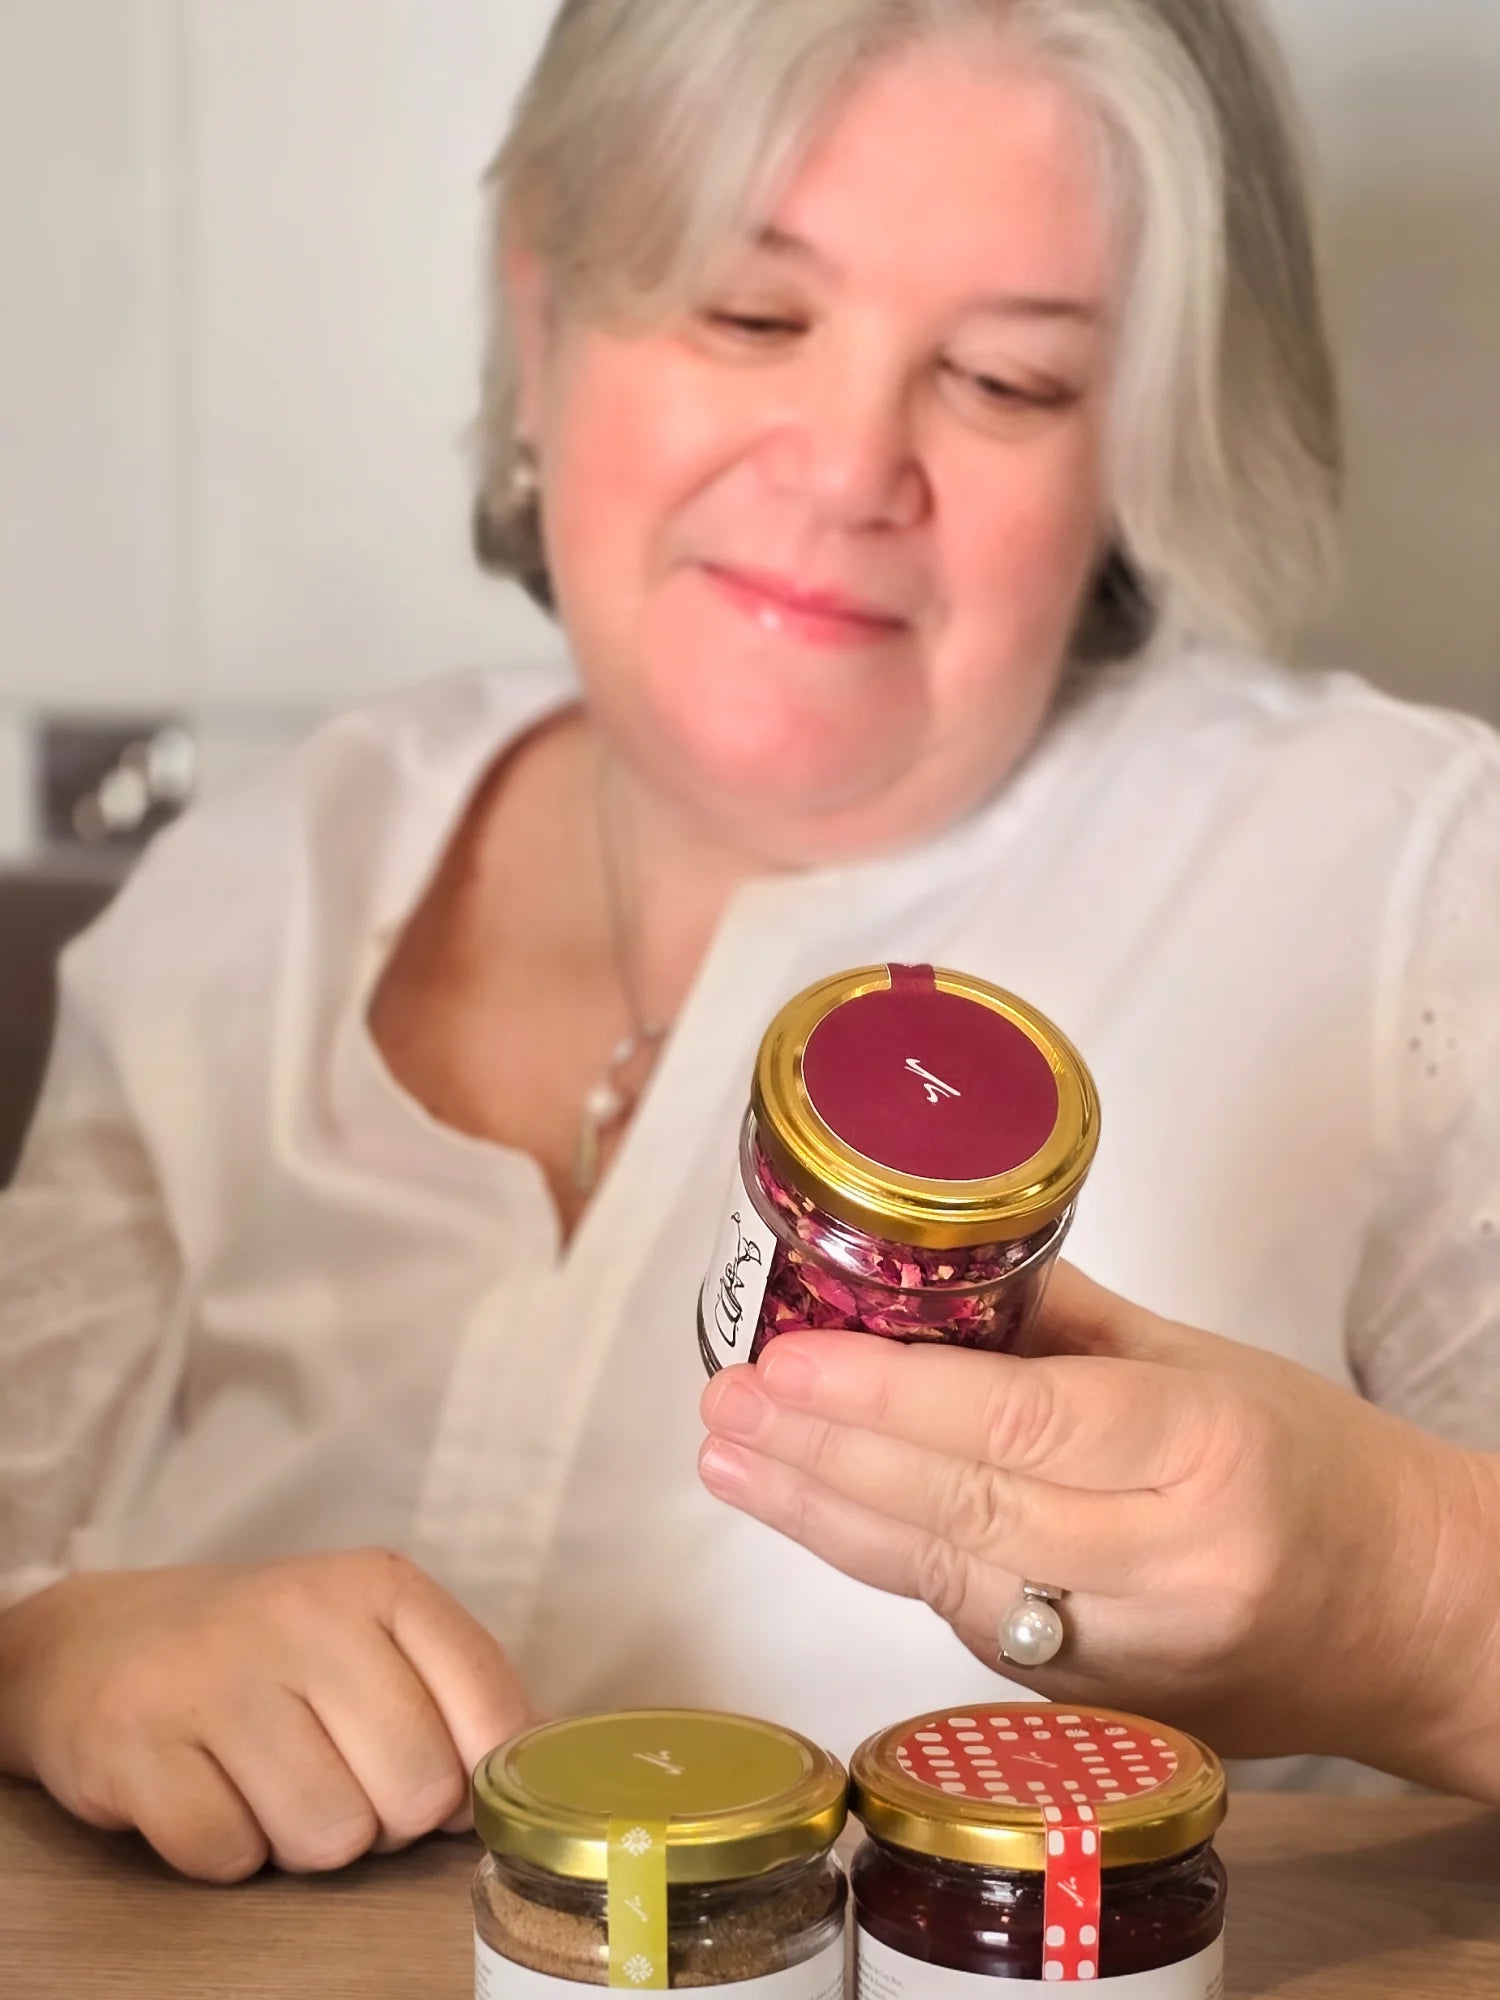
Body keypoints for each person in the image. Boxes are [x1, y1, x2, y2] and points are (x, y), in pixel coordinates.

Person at [1, 0, 1497, 1887]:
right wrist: (46, 1659)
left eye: (1009, 380)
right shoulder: (258, 876)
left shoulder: (1409, 877)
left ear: (1140, 448)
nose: (848, 464)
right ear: (541, 309)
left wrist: (1406, 1594)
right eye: (752, 315)